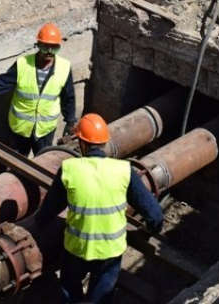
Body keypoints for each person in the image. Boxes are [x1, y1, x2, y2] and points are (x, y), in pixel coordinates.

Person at [34, 113, 164, 304]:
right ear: (104, 143)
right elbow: (154, 214)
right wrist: (152, 228)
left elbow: (50, 207)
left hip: (77, 249)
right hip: (109, 252)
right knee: (101, 297)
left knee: (70, 289)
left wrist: (38, 223)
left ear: (82, 144)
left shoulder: (69, 169)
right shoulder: (124, 170)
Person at [0, 22, 77, 158]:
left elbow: (68, 97)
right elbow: (2, 82)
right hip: (21, 129)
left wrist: (70, 121)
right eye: (45, 46)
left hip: (44, 130)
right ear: (38, 44)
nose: (49, 51)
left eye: (54, 48)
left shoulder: (64, 68)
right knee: (18, 164)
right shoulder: (23, 64)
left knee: (42, 163)